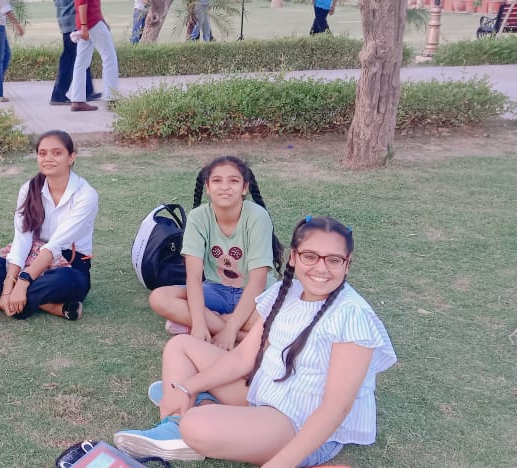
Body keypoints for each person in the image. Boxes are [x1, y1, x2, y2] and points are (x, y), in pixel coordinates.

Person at [114, 216, 397, 467]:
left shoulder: (352, 316)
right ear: (293, 257)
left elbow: (336, 408)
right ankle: (181, 417)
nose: (321, 268)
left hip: (300, 423)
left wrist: (280, 464)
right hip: (268, 391)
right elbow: (242, 358)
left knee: (196, 426)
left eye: (334, 260)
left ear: (347, 264)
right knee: (180, 346)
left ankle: (193, 416)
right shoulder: (288, 291)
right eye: (310, 256)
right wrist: (188, 386)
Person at [0, 130, 98, 321]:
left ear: (71, 158)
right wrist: (10, 284)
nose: (48, 158)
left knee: (65, 281)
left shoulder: (86, 195)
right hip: (30, 257)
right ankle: (50, 306)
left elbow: (55, 245)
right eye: (42, 153)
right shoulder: (29, 188)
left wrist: (23, 282)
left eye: (57, 153)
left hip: (68, 264)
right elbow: (22, 239)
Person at [149, 156, 283, 350]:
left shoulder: (257, 216)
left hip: (256, 294)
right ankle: (243, 336)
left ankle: (212, 325)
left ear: (245, 187)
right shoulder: (198, 217)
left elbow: (257, 281)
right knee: (160, 298)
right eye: (217, 180)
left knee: (279, 314)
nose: (225, 187)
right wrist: (199, 323)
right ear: (208, 187)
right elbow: (194, 277)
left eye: (233, 181)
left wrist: (229, 329)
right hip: (216, 291)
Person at [67, 0, 119, 112]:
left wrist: (100, 20)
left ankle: (77, 100)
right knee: (109, 58)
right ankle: (111, 98)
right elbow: (82, 2)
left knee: (81, 63)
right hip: (92, 22)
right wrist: (84, 27)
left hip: (87, 22)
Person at [50, 0, 100, 105]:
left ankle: (87, 90)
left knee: (82, 56)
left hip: (67, 19)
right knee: (70, 58)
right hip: (72, 20)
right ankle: (58, 94)